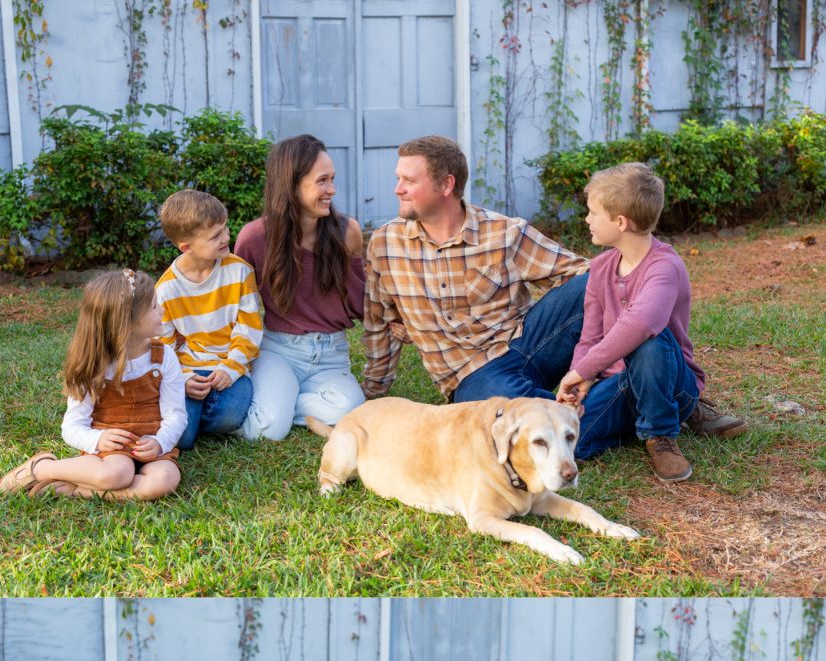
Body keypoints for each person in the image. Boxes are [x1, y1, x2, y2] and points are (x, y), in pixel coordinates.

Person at [362, 135, 589, 407]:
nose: (398, 189)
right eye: (398, 179)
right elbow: (379, 322)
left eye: (409, 181)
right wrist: (373, 388)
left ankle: (580, 400)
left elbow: (578, 274)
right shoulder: (385, 245)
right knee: (498, 404)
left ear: (446, 184)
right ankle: (588, 408)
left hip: (526, 343)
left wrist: (596, 351)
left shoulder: (504, 231)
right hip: (471, 375)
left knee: (596, 281)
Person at [556, 162, 747, 482]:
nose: (587, 219)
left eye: (592, 212)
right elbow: (590, 338)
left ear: (620, 221)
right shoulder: (601, 268)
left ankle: (661, 432)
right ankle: (647, 422)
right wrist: (576, 390)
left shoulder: (664, 266)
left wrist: (583, 371)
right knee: (572, 440)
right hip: (619, 383)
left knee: (647, 339)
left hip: (670, 379)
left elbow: (643, 322)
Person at [0, 269, 185, 501]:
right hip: (110, 452)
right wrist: (98, 439)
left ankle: (76, 490)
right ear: (127, 323)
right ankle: (42, 467)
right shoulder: (94, 366)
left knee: (164, 482)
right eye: (154, 307)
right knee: (118, 474)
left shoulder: (164, 356)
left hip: (152, 445)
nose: (162, 310)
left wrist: (160, 442)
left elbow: (176, 415)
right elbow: (72, 426)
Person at [233, 134, 366, 441]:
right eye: (322, 181)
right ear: (291, 183)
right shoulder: (254, 238)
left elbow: (360, 304)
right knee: (267, 431)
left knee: (350, 412)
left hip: (331, 355)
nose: (331, 190)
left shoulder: (348, 232)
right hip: (279, 351)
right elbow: (236, 306)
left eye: (332, 179)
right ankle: (276, 405)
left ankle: (278, 402)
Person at [155, 189, 263, 450]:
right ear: (187, 247)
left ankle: (195, 417)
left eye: (225, 228)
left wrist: (230, 368)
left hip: (230, 368)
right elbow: (162, 347)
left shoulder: (239, 271)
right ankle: (191, 418)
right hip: (191, 368)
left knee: (229, 415)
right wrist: (183, 379)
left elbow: (249, 329)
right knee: (182, 439)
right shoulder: (167, 289)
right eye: (215, 235)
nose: (226, 237)